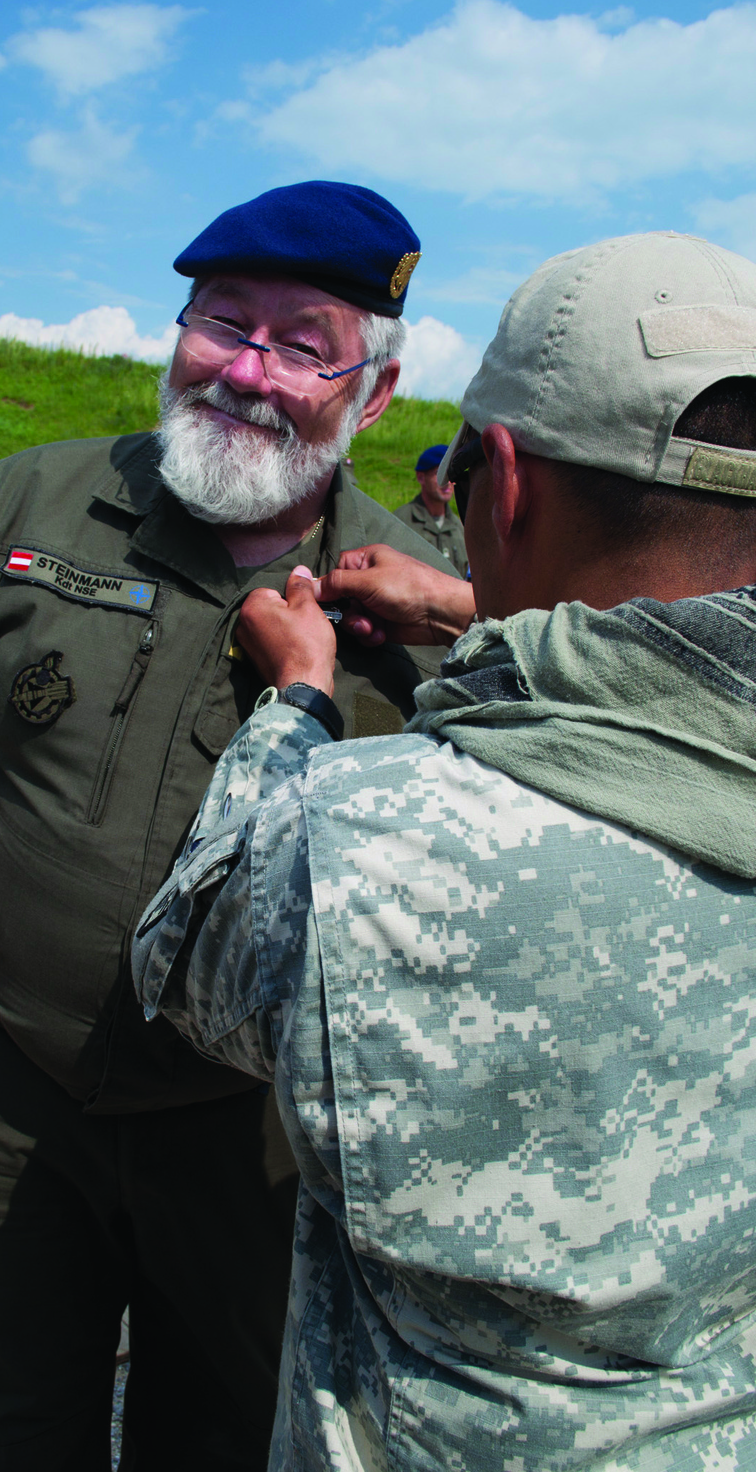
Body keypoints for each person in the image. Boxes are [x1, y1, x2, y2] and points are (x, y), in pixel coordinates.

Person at [0, 182, 463, 1469]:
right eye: (220, 322)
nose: (244, 369)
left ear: (375, 395)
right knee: (13, 1411)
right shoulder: (19, 508)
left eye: (301, 345)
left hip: (253, 1140)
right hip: (18, 1100)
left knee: (222, 1434)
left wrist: (462, 613)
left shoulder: (426, 614)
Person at [133, 231, 756, 1470]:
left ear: (502, 481)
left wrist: (298, 699)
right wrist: (487, 607)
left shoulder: (365, 837)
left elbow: (183, 954)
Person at [394, 441, 469, 574]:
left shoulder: (460, 527)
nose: (448, 482)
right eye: (439, 474)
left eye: (451, 474)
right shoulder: (400, 523)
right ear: (421, 478)